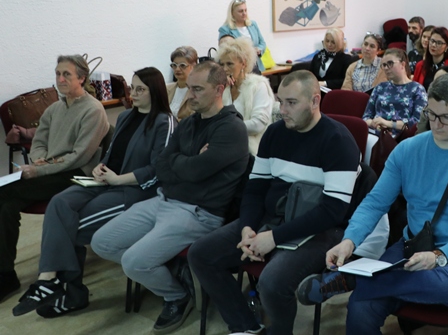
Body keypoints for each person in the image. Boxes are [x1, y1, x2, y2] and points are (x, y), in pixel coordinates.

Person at [296, 73, 448, 335]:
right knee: (360, 307)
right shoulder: (408, 150)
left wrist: (440, 255)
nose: (437, 124)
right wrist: (350, 240)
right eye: (431, 114)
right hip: (413, 245)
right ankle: (364, 282)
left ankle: (357, 279)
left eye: (447, 117)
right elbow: (375, 202)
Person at [188, 70, 360, 335]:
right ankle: (245, 326)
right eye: (281, 101)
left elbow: (332, 211)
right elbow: (255, 189)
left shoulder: (338, 141)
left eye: (291, 103)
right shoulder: (275, 133)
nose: (283, 110)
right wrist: (247, 228)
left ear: (315, 101)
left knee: (272, 282)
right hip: (273, 219)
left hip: (320, 229)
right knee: (201, 254)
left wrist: (273, 238)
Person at [91, 61, 249, 334]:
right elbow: (161, 167)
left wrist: (183, 163)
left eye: (198, 89)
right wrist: (189, 161)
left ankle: (177, 295)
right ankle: (175, 269)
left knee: (133, 262)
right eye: (189, 88)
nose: (190, 95)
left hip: (198, 212)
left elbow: (193, 171)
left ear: (219, 89)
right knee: (101, 242)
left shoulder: (231, 129)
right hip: (164, 200)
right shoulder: (188, 123)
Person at [12, 67, 175, 318]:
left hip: (134, 191)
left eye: (140, 89)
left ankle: (72, 294)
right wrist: (101, 166)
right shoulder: (126, 117)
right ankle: (47, 279)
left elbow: (159, 170)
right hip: (105, 181)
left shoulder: (165, 122)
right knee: (59, 203)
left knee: (71, 227)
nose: (133, 93)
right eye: (132, 88)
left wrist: (118, 179)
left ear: (155, 91)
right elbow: (113, 153)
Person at [0, 55, 109, 303]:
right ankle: (5, 274)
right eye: (58, 73)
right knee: (6, 205)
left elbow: (80, 156)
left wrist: (40, 170)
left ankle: (6, 275)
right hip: (52, 171)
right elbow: (39, 142)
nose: (60, 79)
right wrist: (39, 160)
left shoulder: (93, 110)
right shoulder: (54, 109)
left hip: (76, 175)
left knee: (5, 194)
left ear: (81, 78)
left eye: (66, 74)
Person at [362, 49, 428, 161]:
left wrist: (387, 123)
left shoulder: (417, 89)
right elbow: (366, 117)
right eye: (384, 65)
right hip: (377, 137)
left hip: (404, 139)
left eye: (390, 63)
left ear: (403, 64)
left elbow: (417, 123)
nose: (386, 68)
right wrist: (375, 124)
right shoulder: (380, 87)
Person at [217, 37, 276, 155]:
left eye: (229, 64)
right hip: (224, 143)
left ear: (243, 63)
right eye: (222, 64)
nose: (225, 69)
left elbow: (258, 124)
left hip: (251, 148)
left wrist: (226, 128)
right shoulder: (223, 87)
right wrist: (219, 90)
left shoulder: (258, 85)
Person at [218, 0, 269, 72]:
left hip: (256, 66)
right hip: (238, 69)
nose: (244, 13)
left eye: (245, 10)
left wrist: (259, 50)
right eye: (240, 11)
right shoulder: (225, 29)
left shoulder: (253, 24)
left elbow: (262, 43)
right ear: (232, 13)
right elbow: (225, 52)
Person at [166, 46, 197, 121]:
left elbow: (194, 119)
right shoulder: (166, 89)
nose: (177, 69)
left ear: (194, 67)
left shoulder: (197, 91)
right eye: (174, 65)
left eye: (182, 65)